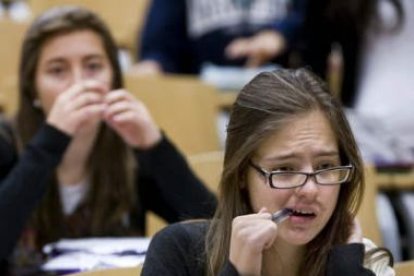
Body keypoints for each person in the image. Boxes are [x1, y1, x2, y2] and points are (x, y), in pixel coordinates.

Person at [0, 6, 217, 273]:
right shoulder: (5, 143)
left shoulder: (130, 149)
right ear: (32, 87)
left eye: (93, 67)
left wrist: (156, 148)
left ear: (114, 78)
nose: (79, 83)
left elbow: (213, 234)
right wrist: (51, 140)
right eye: (58, 70)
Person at [141, 68, 394, 275]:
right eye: (285, 169)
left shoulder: (363, 263)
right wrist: (238, 272)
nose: (310, 189)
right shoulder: (179, 252)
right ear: (242, 174)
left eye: (326, 167)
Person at [133, 0, 307, 75]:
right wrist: (154, 65)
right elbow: (160, 47)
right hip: (205, 95)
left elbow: (313, 19)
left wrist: (281, 34)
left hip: (281, 94)